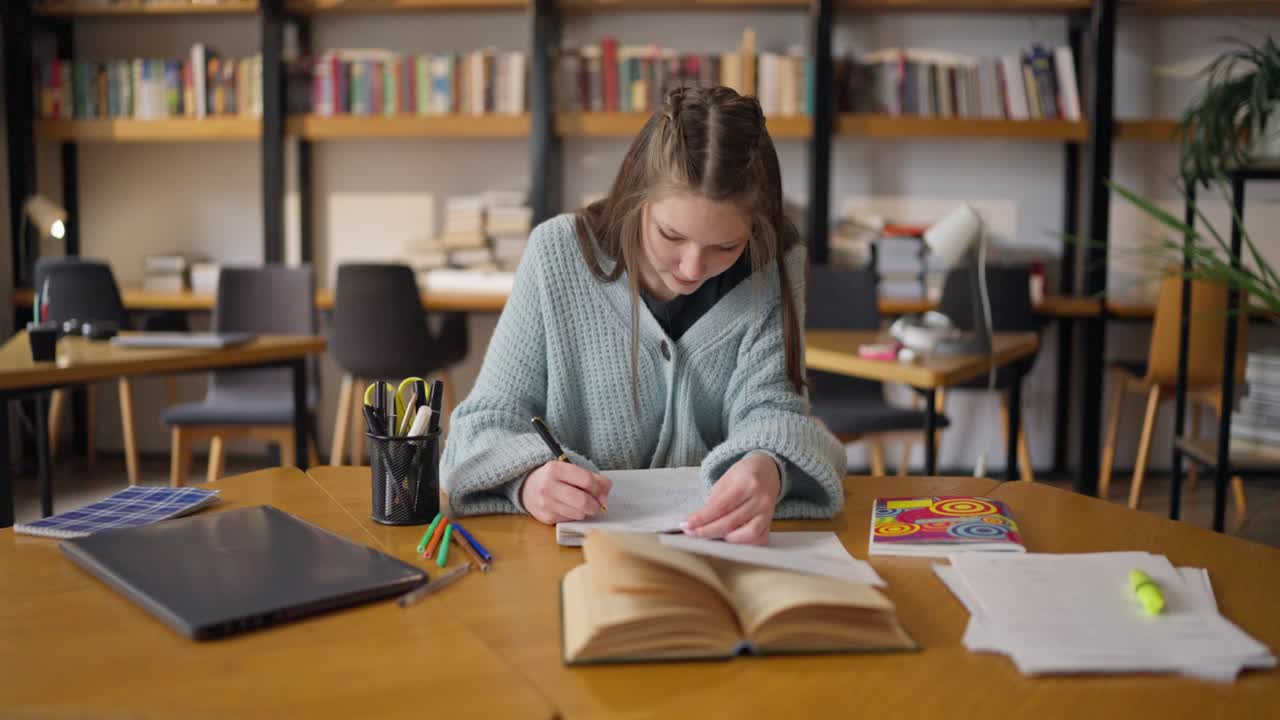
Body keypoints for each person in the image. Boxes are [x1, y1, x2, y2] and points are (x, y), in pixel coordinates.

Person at [440, 85, 846, 544]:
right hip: (569, 557)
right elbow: (481, 425)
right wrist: (527, 480)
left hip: (717, 553)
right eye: (671, 235)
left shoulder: (772, 264)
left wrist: (769, 465)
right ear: (638, 200)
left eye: (725, 246)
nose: (692, 267)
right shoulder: (557, 253)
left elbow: (775, 411)